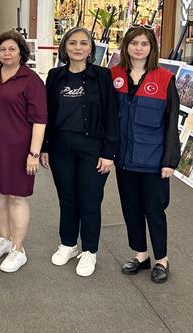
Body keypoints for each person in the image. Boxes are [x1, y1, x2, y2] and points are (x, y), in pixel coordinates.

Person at [39, 27, 118, 277]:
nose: (78, 47)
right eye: (72, 43)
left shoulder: (102, 76)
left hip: (92, 148)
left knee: (90, 200)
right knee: (67, 198)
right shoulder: (55, 76)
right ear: (64, 47)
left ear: (91, 49)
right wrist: (45, 146)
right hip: (61, 146)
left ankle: (90, 251)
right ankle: (68, 244)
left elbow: (111, 115)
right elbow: (46, 114)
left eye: (84, 43)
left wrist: (109, 152)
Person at [110, 25, 181, 284]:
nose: (138, 48)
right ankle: (141, 255)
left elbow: (172, 123)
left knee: (154, 210)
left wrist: (169, 161)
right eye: (134, 43)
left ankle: (161, 259)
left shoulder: (164, 78)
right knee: (131, 208)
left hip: (153, 160)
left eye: (144, 43)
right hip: (124, 159)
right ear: (126, 46)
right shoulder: (114, 75)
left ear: (152, 48)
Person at [0, 31, 47, 272]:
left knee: (16, 196)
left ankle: (18, 248)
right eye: (2, 49)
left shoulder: (31, 80)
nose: (7, 53)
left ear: (21, 53)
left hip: (19, 149)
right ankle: (5, 239)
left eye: (12, 49)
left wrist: (34, 154)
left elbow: (40, 120)